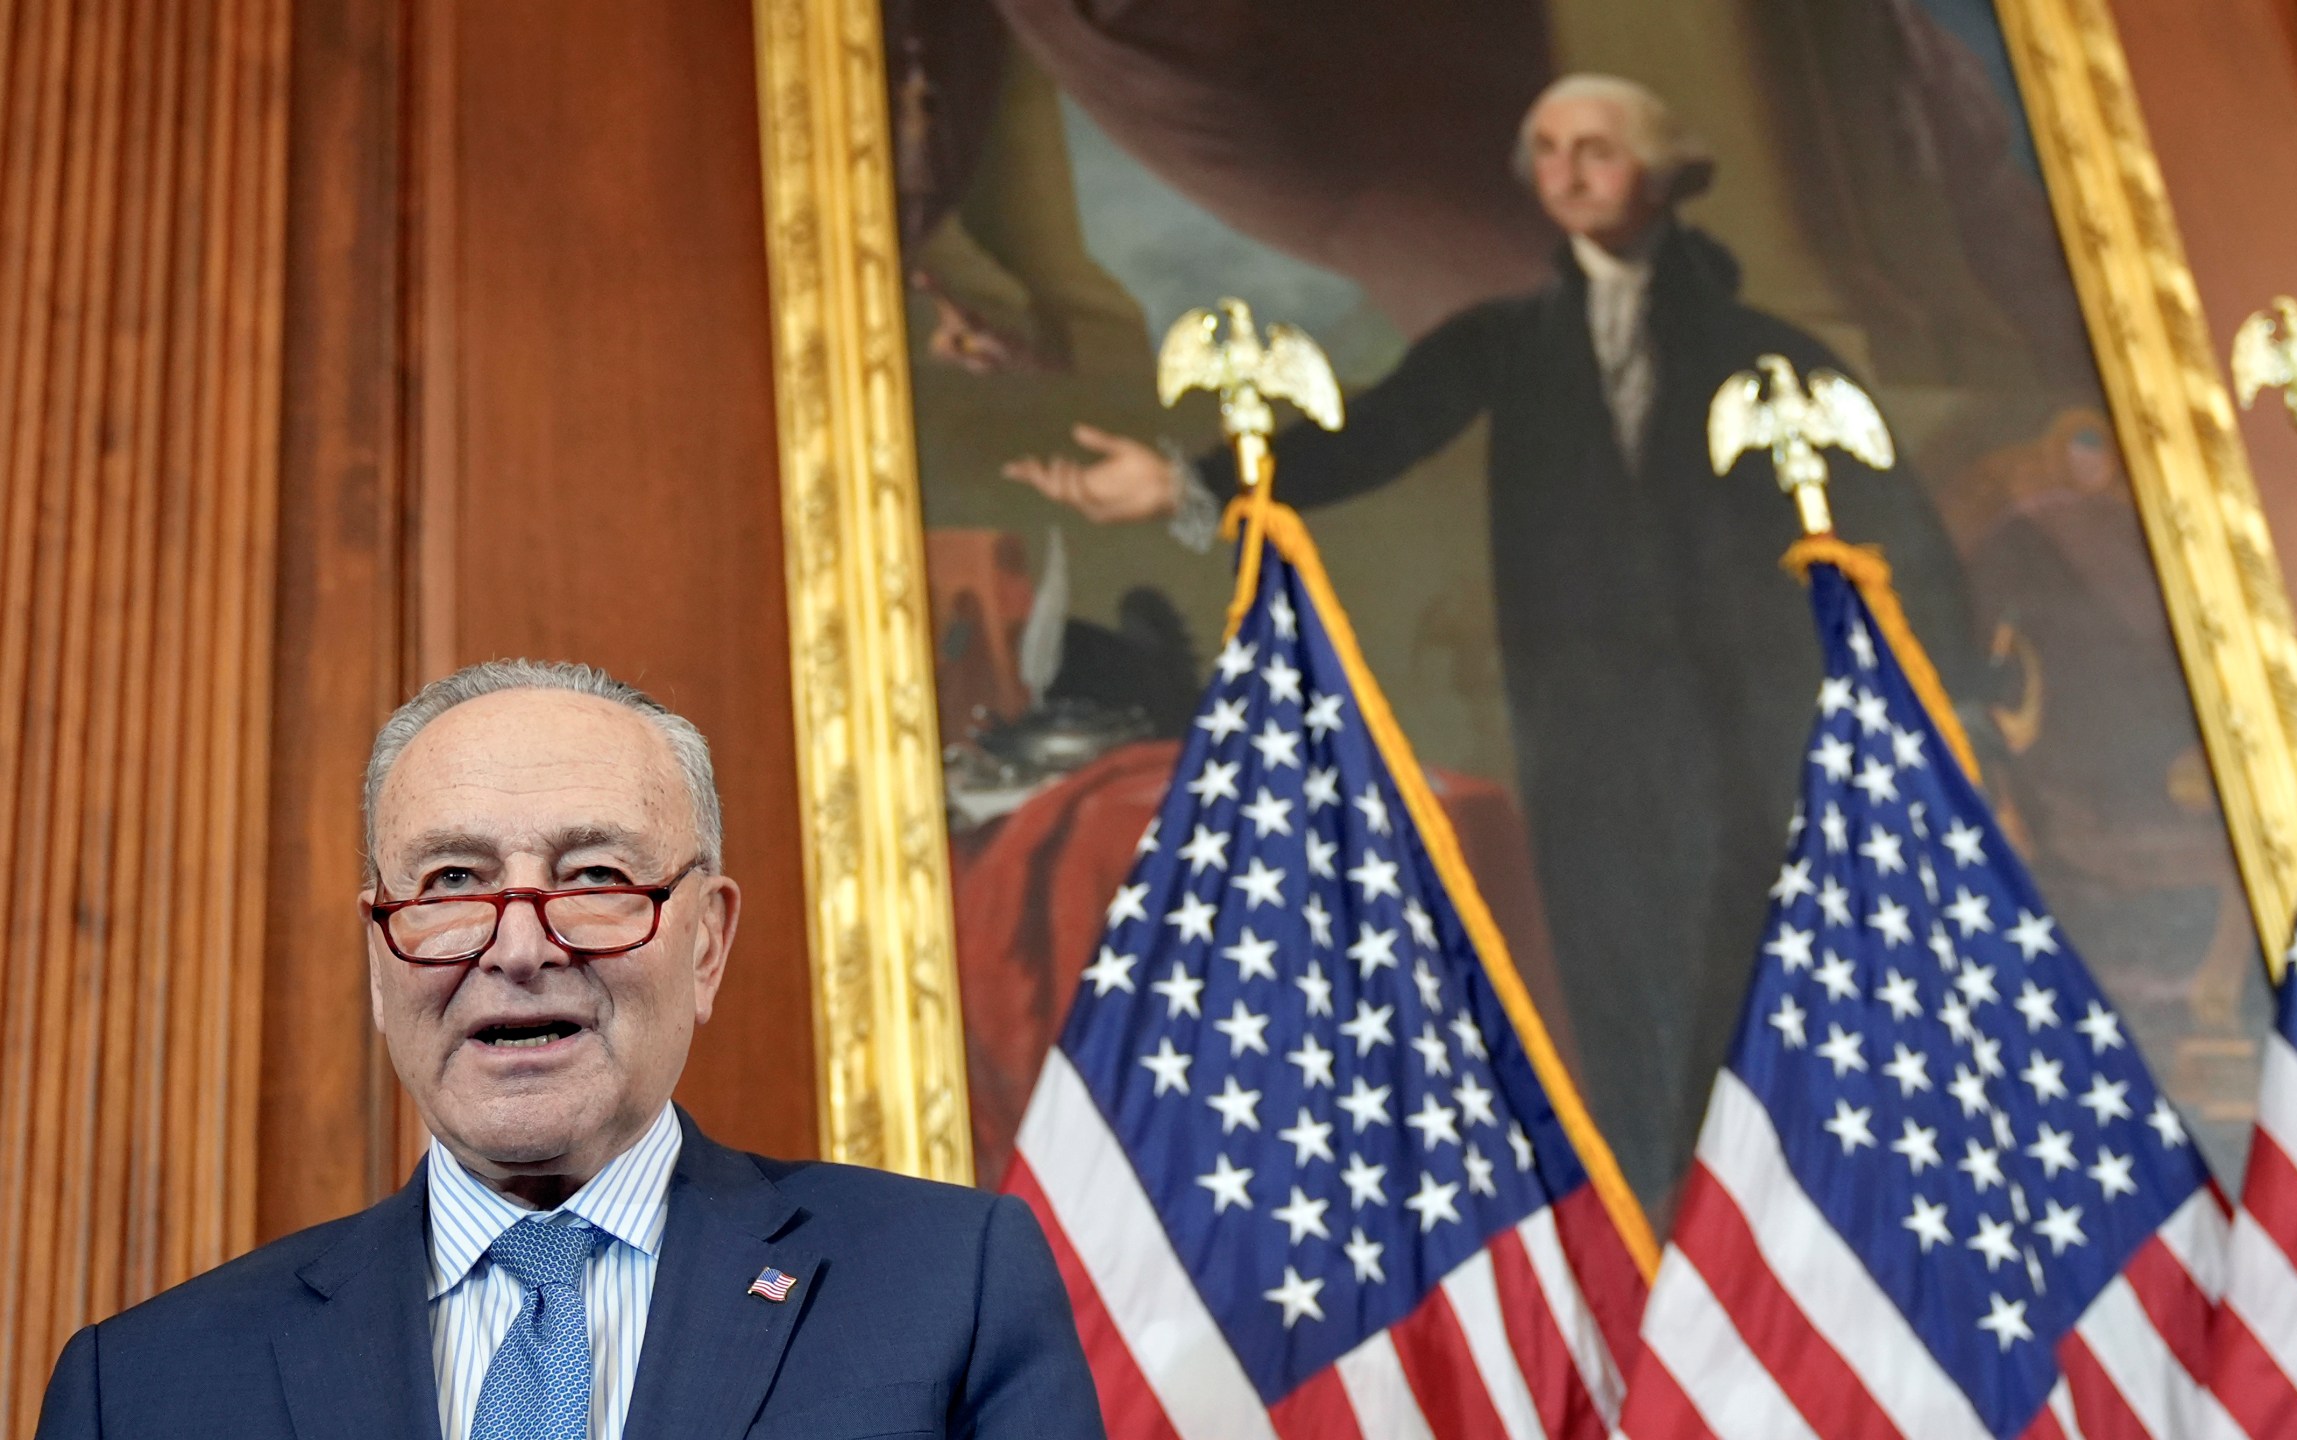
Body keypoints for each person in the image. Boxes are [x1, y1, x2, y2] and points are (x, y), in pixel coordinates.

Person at [1005, 74, 1982, 1213]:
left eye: (1597, 150)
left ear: (1660, 174)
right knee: (1617, 984)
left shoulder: (1768, 353)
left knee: (1769, 970)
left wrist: (1953, 697)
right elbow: (1372, 435)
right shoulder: (1507, 344)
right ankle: (1664, 1228)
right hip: (1589, 739)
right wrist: (1185, 483)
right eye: (1549, 151)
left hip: (1752, 730)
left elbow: (1894, 533)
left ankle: (1784, 1236)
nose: (1567, 174)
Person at [36, 661, 1103, 1439]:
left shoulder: (948, 1288)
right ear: (377, 955)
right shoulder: (137, 1388)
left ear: (707, 943)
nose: (517, 944)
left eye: (594, 878)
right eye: (451, 882)